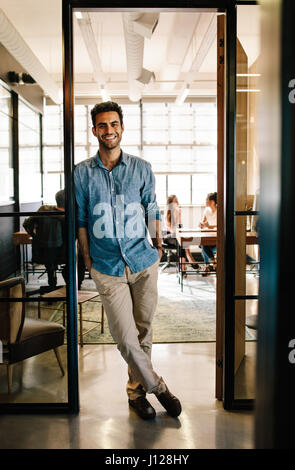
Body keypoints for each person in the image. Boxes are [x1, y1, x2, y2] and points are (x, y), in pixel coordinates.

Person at [74, 101, 181, 420]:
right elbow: (80, 219)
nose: (109, 130)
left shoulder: (141, 168)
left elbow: (151, 209)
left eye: (114, 124)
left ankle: (136, 394)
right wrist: (87, 258)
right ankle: (158, 387)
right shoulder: (82, 172)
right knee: (125, 336)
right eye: (103, 125)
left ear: (122, 127)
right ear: (94, 131)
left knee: (144, 330)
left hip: (143, 261)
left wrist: (158, 245)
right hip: (106, 267)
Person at [23, 190, 85, 289]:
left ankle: (52, 282)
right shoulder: (70, 216)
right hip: (65, 255)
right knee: (81, 258)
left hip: (43, 253)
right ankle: (76, 287)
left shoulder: (43, 210)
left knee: (52, 260)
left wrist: (36, 237)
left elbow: (26, 224)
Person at [163, 194, 198, 270]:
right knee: (181, 242)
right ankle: (188, 260)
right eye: (175, 201)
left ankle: (183, 266)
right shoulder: (168, 212)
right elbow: (172, 228)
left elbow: (179, 225)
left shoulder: (178, 211)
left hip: (176, 233)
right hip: (167, 235)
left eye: (177, 200)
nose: (177, 202)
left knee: (182, 242)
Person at [199, 192, 217, 273]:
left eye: (207, 200)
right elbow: (203, 221)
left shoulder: (220, 210)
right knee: (203, 243)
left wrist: (209, 226)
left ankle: (207, 266)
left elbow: (221, 226)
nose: (205, 201)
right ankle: (213, 262)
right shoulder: (206, 210)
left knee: (203, 245)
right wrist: (201, 224)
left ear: (212, 202)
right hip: (209, 235)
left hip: (217, 237)